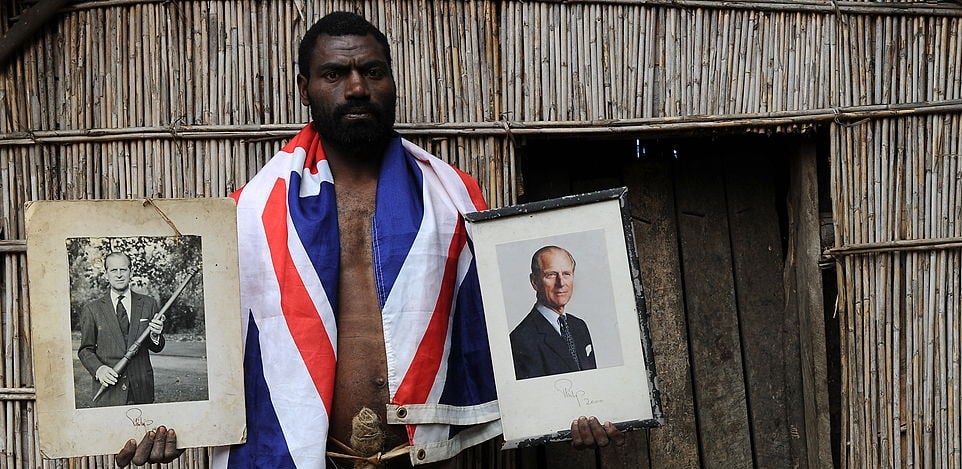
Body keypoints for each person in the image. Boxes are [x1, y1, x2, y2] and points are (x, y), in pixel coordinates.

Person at [118, 11, 623, 468]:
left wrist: (578, 402)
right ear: (305, 87)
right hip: (303, 457)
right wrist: (165, 424)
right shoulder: (245, 213)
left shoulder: (455, 195)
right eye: (335, 74)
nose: (356, 87)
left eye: (373, 72)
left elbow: (500, 321)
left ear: (391, 80)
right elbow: (215, 347)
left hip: (421, 458)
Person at [78, 252, 165, 408]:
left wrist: (155, 334)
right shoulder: (92, 309)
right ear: (106, 274)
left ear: (130, 272)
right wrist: (99, 369)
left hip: (141, 390)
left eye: (123, 270)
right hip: (109, 392)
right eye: (113, 270)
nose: (119, 275)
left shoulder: (148, 303)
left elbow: (156, 347)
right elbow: (85, 350)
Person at [510, 246, 597, 380]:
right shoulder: (520, 340)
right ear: (534, 282)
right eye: (551, 275)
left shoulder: (579, 326)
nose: (561, 283)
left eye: (566, 274)